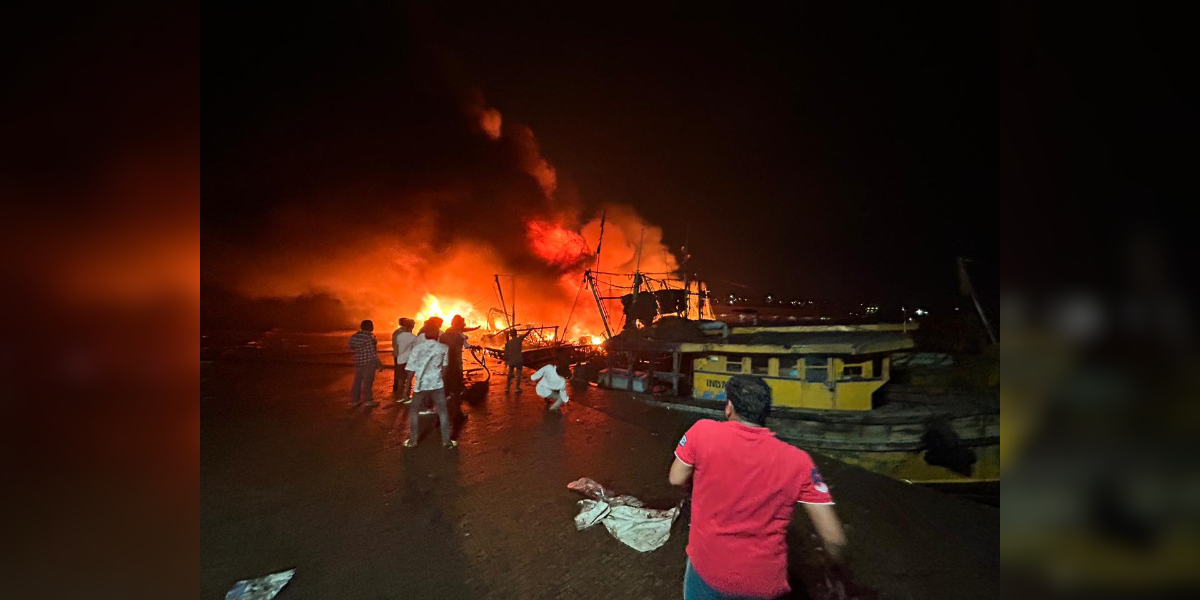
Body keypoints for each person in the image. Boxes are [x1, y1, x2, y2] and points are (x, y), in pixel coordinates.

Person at [668, 374, 847, 599]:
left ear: (729, 407)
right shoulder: (798, 461)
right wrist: (835, 568)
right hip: (762, 585)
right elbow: (833, 537)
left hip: (706, 571)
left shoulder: (702, 432)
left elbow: (675, 478)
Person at [404, 324, 457, 448]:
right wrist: (441, 380)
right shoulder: (444, 348)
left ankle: (412, 441)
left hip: (420, 385)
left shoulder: (417, 349)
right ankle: (446, 441)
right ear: (437, 335)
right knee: (443, 411)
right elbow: (445, 368)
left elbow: (411, 370)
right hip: (437, 384)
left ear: (425, 335)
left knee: (414, 411)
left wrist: (406, 389)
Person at [439, 314, 480, 397]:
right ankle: (458, 390)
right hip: (456, 356)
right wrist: (475, 347)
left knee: (447, 372)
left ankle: (447, 389)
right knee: (458, 372)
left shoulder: (446, 332)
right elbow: (466, 345)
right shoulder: (459, 334)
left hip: (445, 356)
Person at [348, 319, 384, 407]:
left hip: (358, 362)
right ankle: (368, 400)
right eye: (371, 325)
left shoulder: (355, 336)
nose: (373, 327)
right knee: (367, 383)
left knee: (357, 382)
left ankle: (355, 401)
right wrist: (379, 363)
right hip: (368, 363)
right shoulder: (369, 338)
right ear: (369, 327)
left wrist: (361, 351)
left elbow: (350, 347)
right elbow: (372, 353)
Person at [391, 318, 418, 401]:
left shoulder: (399, 335)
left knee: (400, 378)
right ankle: (406, 395)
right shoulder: (413, 337)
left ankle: (399, 395)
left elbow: (396, 345)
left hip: (400, 359)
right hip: (409, 360)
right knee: (408, 378)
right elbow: (415, 348)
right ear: (411, 326)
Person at [503, 327, 532, 393]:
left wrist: (506, 361)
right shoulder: (519, 339)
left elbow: (506, 353)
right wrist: (530, 330)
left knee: (510, 374)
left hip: (511, 360)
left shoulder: (508, 343)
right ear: (516, 333)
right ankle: (517, 388)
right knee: (518, 374)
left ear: (511, 335)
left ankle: (507, 388)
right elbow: (525, 335)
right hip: (518, 360)